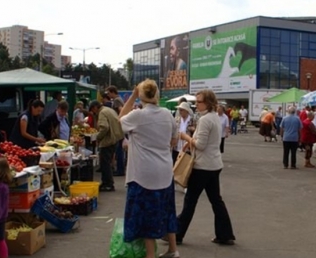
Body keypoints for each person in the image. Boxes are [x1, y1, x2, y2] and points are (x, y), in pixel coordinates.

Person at [118, 80, 180, 258]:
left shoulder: (137, 116)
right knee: (167, 210)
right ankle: (173, 249)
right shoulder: (167, 114)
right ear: (157, 95)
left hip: (144, 174)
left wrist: (132, 96)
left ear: (141, 95)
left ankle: (150, 255)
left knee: (146, 215)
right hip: (165, 170)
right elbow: (174, 139)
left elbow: (119, 119)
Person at [176, 89, 236, 246]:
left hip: (203, 166)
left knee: (190, 201)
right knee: (216, 201)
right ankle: (225, 234)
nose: (196, 105)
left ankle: (176, 233)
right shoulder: (215, 117)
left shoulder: (205, 120)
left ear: (208, 103)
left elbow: (201, 145)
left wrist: (186, 138)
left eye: (199, 102)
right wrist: (190, 143)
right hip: (214, 164)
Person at [89, 100, 124, 192]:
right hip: (115, 138)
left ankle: (108, 184)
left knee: (105, 163)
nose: (94, 112)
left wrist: (97, 137)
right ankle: (108, 182)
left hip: (107, 141)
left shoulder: (102, 112)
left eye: (93, 110)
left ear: (95, 107)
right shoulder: (108, 109)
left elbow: (104, 127)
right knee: (108, 163)